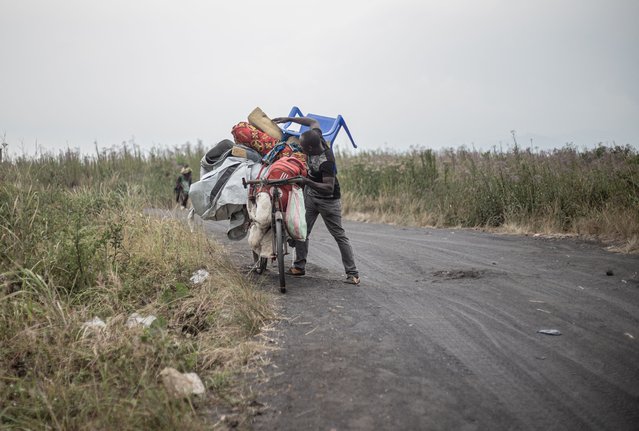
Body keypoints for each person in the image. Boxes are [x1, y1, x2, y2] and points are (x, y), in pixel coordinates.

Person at [272, 116, 360, 285]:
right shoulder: (317, 137)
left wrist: (307, 182)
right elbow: (312, 122)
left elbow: (328, 186)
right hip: (311, 197)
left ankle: (353, 273)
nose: (302, 151)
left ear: (311, 147)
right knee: (301, 230)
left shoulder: (327, 160)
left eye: (304, 148)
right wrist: (288, 118)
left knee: (339, 235)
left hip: (329, 201)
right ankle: (299, 267)